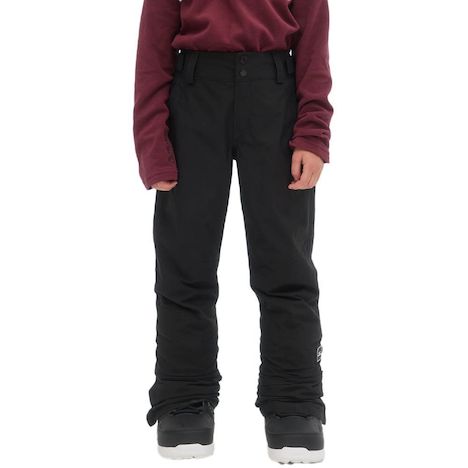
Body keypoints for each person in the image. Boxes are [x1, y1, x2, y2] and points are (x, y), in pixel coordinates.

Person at [132, 0, 333, 463]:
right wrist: (152, 143)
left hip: (275, 95)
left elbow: (313, 39)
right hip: (194, 95)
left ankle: (295, 400)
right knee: (185, 257)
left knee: (285, 260)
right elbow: (153, 44)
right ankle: (183, 396)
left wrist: (312, 133)